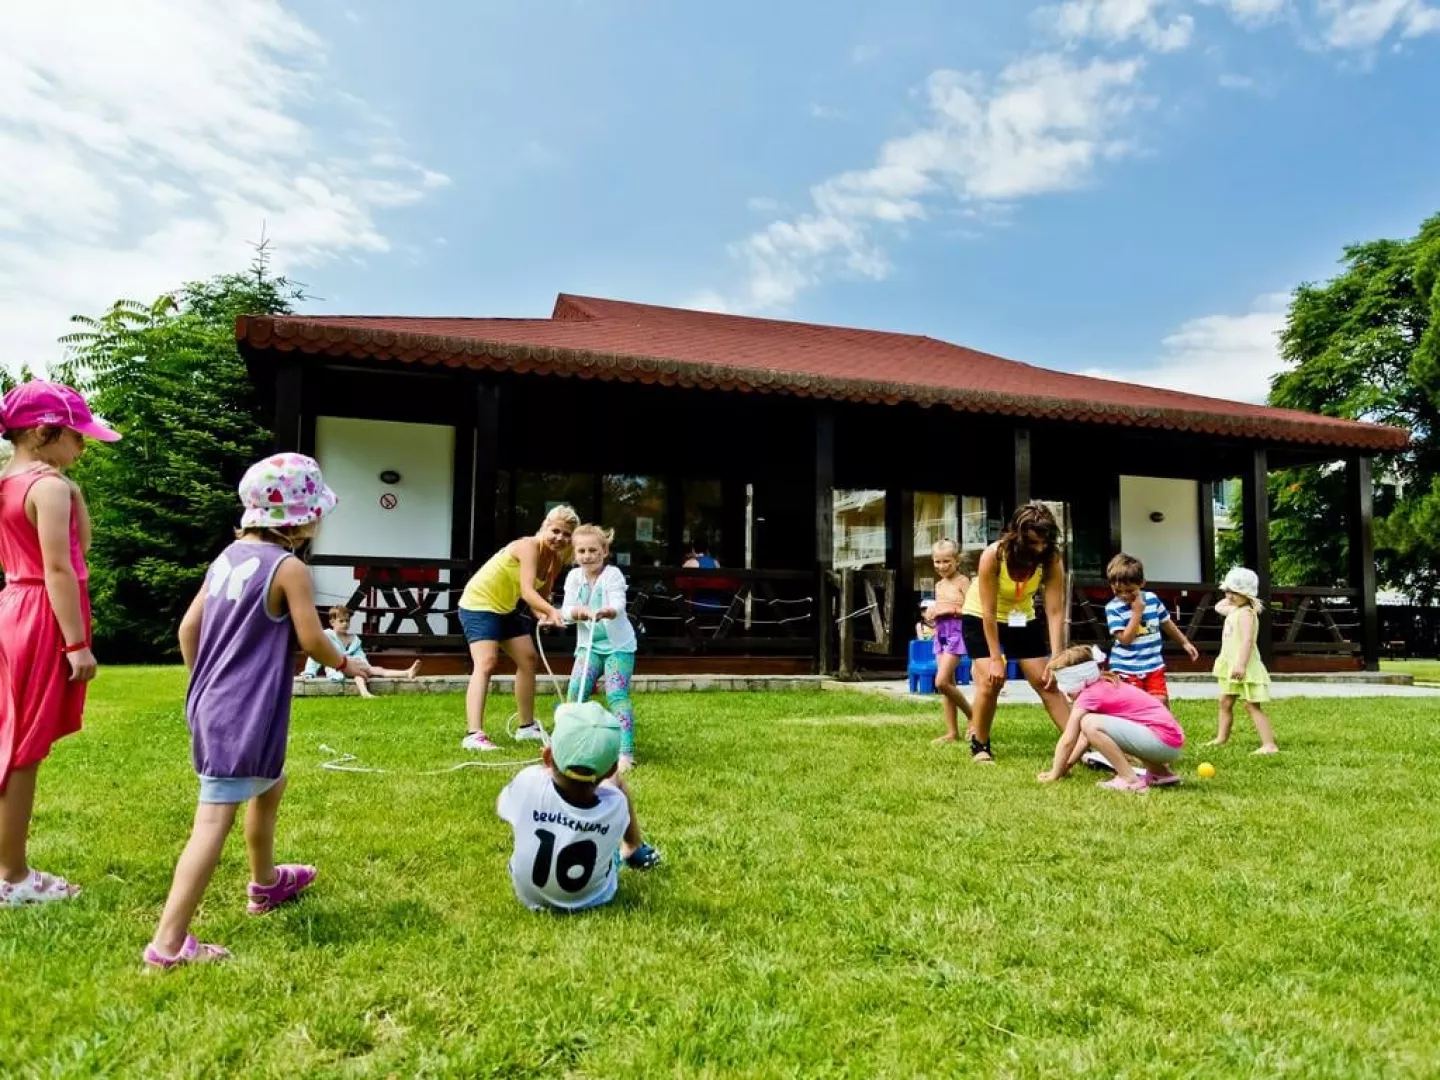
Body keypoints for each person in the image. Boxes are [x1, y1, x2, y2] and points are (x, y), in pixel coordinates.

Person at [143, 453, 371, 967]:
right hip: (242, 711)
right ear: (299, 520)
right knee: (212, 820)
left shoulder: (226, 557)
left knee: (271, 783)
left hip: (212, 701)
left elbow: (187, 630)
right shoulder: (289, 568)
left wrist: (205, 683)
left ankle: (266, 884)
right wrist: (347, 663)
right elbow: (312, 639)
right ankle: (168, 944)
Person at [0, 381, 119, 906]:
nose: (83, 446)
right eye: (76, 435)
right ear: (43, 432)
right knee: (22, 751)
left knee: (11, 740)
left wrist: (74, 492)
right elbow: (62, 566)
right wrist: (77, 645)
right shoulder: (47, 488)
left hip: (13, 607)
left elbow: (71, 548)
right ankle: (12, 876)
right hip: (42, 617)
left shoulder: (10, 481)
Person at [496, 701, 660, 913]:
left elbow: (501, 805)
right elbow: (610, 789)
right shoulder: (616, 804)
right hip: (594, 898)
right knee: (615, 793)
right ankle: (632, 848)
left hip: (529, 896)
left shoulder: (528, 781)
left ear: (547, 757)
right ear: (611, 770)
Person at [958, 502, 1071, 762]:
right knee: (990, 681)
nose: (1039, 548)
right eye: (1033, 542)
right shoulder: (993, 555)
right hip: (981, 617)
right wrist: (995, 659)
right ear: (1017, 537)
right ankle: (980, 745)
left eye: (1044, 541)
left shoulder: (1051, 558)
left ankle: (1080, 744)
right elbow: (988, 611)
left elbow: (1055, 611)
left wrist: (1056, 657)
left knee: (1046, 681)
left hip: (1021, 618)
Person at [457, 506, 576, 751]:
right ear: (544, 526)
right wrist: (553, 612)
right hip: (478, 604)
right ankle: (473, 735)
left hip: (504, 608)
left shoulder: (554, 561)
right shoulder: (527, 546)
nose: (559, 538)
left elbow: (538, 600)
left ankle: (526, 727)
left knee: (529, 659)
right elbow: (528, 592)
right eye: (555, 531)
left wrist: (544, 615)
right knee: (486, 662)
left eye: (566, 534)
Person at [1037, 644, 1185, 793]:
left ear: (1078, 679)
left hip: (1162, 743)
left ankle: (1129, 779)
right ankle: (1160, 772)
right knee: (1089, 724)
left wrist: (1054, 774)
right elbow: (1084, 737)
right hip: (1168, 743)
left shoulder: (1090, 695)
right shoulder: (1103, 685)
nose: (1066, 693)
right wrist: (1066, 766)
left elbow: (1068, 740)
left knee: (1089, 723)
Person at [562, 525, 640, 772]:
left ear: (604, 551)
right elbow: (566, 610)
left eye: (593, 550)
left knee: (617, 695)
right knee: (576, 692)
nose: (587, 556)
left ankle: (625, 752)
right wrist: (578, 612)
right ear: (575, 554)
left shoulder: (613, 574)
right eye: (581, 551)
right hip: (589, 646)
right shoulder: (574, 577)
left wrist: (608, 611)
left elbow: (618, 602)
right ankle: (573, 745)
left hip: (618, 647)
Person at [1104, 553, 1199, 705]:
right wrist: (1137, 612)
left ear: (1142, 583)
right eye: (1118, 591)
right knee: (1135, 706)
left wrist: (1184, 642)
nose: (1124, 595)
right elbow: (1125, 640)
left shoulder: (1152, 599)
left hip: (1154, 665)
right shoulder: (1113, 608)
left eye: (1130, 591)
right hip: (1126, 668)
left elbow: (1166, 623)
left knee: (1161, 703)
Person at [1209, 567, 1279, 754]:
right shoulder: (1235, 609)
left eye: (1235, 592)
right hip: (1231, 665)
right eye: (1227, 591)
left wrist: (1241, 665)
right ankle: (1221, 738)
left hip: (1243, 665)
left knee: (1251, 705)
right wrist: (1231, 595)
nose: (1229, 596)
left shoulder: (1246, 613)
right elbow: (1218, 607)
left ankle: (1269, 744)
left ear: (1247, 594)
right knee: (1225, 702)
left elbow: (1248, 640)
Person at [302, 604, 420, 698]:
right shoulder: (326, 636)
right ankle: (365, 693)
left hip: (354, 665)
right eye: (341, 621)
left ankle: (407, 673)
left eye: (347, 621)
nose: (345, 624)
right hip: (336, 666)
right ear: (332, 622)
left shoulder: (353, 639)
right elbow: (316, 654)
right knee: (358, 673)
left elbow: (359, 654)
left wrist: (363, 664)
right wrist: (309, 672)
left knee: (377, 670)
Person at [926, 538, 974, 746]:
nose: (942, 566)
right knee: (947, 685)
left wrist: (952, 610)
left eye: (947, 561)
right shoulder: (938, 585)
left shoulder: (963, 582)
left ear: (957, 561)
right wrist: (932, 614)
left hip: (957, 632)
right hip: (941, 633)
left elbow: (972, 610)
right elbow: (940, 608)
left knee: (941, 681)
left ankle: (973, 715)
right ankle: (952, 732)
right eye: (937, 562)